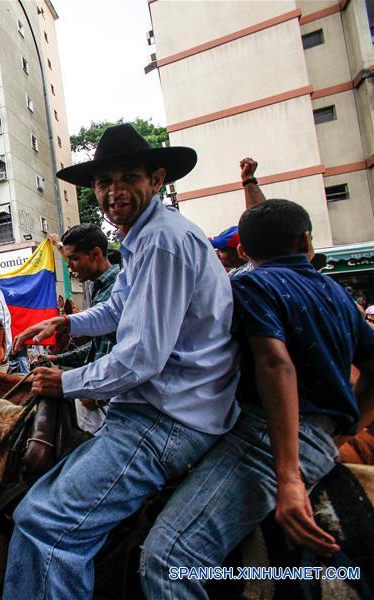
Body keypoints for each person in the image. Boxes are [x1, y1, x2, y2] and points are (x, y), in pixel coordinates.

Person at [3, 123, 239, 599]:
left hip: (166, 417)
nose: (114, 192)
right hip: (158, 407)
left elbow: (140, 358)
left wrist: (62, 383)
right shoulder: (143, 237)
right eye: (104, 182)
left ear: (155, 179)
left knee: (41, 522)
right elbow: (119, 309)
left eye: (127, 178)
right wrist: (67, 325)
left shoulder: (162, 241)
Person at [141, 200, 374, 598]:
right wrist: (342, 431)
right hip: (316, 438)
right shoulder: (335, 292)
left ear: (244, 254)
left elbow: (274, 364)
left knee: (169, 560)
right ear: (307, 242)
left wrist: (289, 477)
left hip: (266, 440)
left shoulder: (249, 286)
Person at [40, 224, 121, 434]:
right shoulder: (98, 287)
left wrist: (97, 394)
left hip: (113, 402)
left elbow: (124, 354)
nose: (70, 267)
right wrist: (58, 360)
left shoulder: (117, 289)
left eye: (74, 259)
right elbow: (98, 346)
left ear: (96, 254)